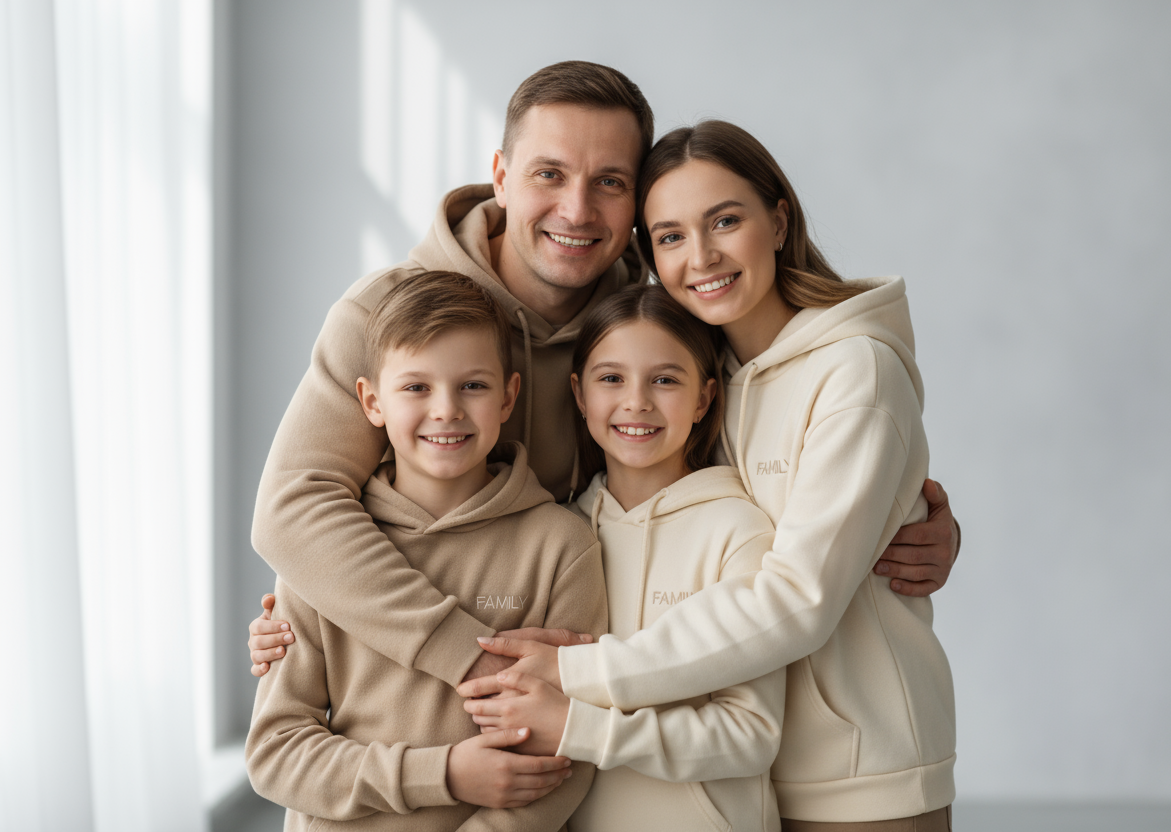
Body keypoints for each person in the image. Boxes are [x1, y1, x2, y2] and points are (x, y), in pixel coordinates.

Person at [246, 62, 959, 689]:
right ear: (500, 177)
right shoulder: (388, 316)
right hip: (421, 698)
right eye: (548, 174)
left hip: (588, 710)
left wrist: (904, 516)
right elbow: (294, 509)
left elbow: (766, 442)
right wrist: (319, 619)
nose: (577, 210)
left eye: (610, 183)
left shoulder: (655, 321)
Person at [459, 122, 956, 831]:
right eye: (669, 236)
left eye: (726, 220)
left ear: (779, 220)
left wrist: (578, 676)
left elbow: (798, 597)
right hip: (746, 783)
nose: (701, 256)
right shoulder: (703, 374)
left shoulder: (855, 370)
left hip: (860, 765)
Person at [245, 271, 607, 830]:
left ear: (509, 395)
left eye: (473, 386)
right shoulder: (324, 555)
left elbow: (568, 756)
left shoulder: (562, 547)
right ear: (371, 402)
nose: (446, 410)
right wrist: (440, 774)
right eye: (416, 387)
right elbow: (276, 754)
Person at [470, 284, 787, 831]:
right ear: (579, 393)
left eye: (665, 380)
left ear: (704, 399)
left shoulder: (737, 529)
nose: (636, 401)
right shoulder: (560, 533)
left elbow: (749, 736)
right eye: (611, 378)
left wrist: (580, 727)